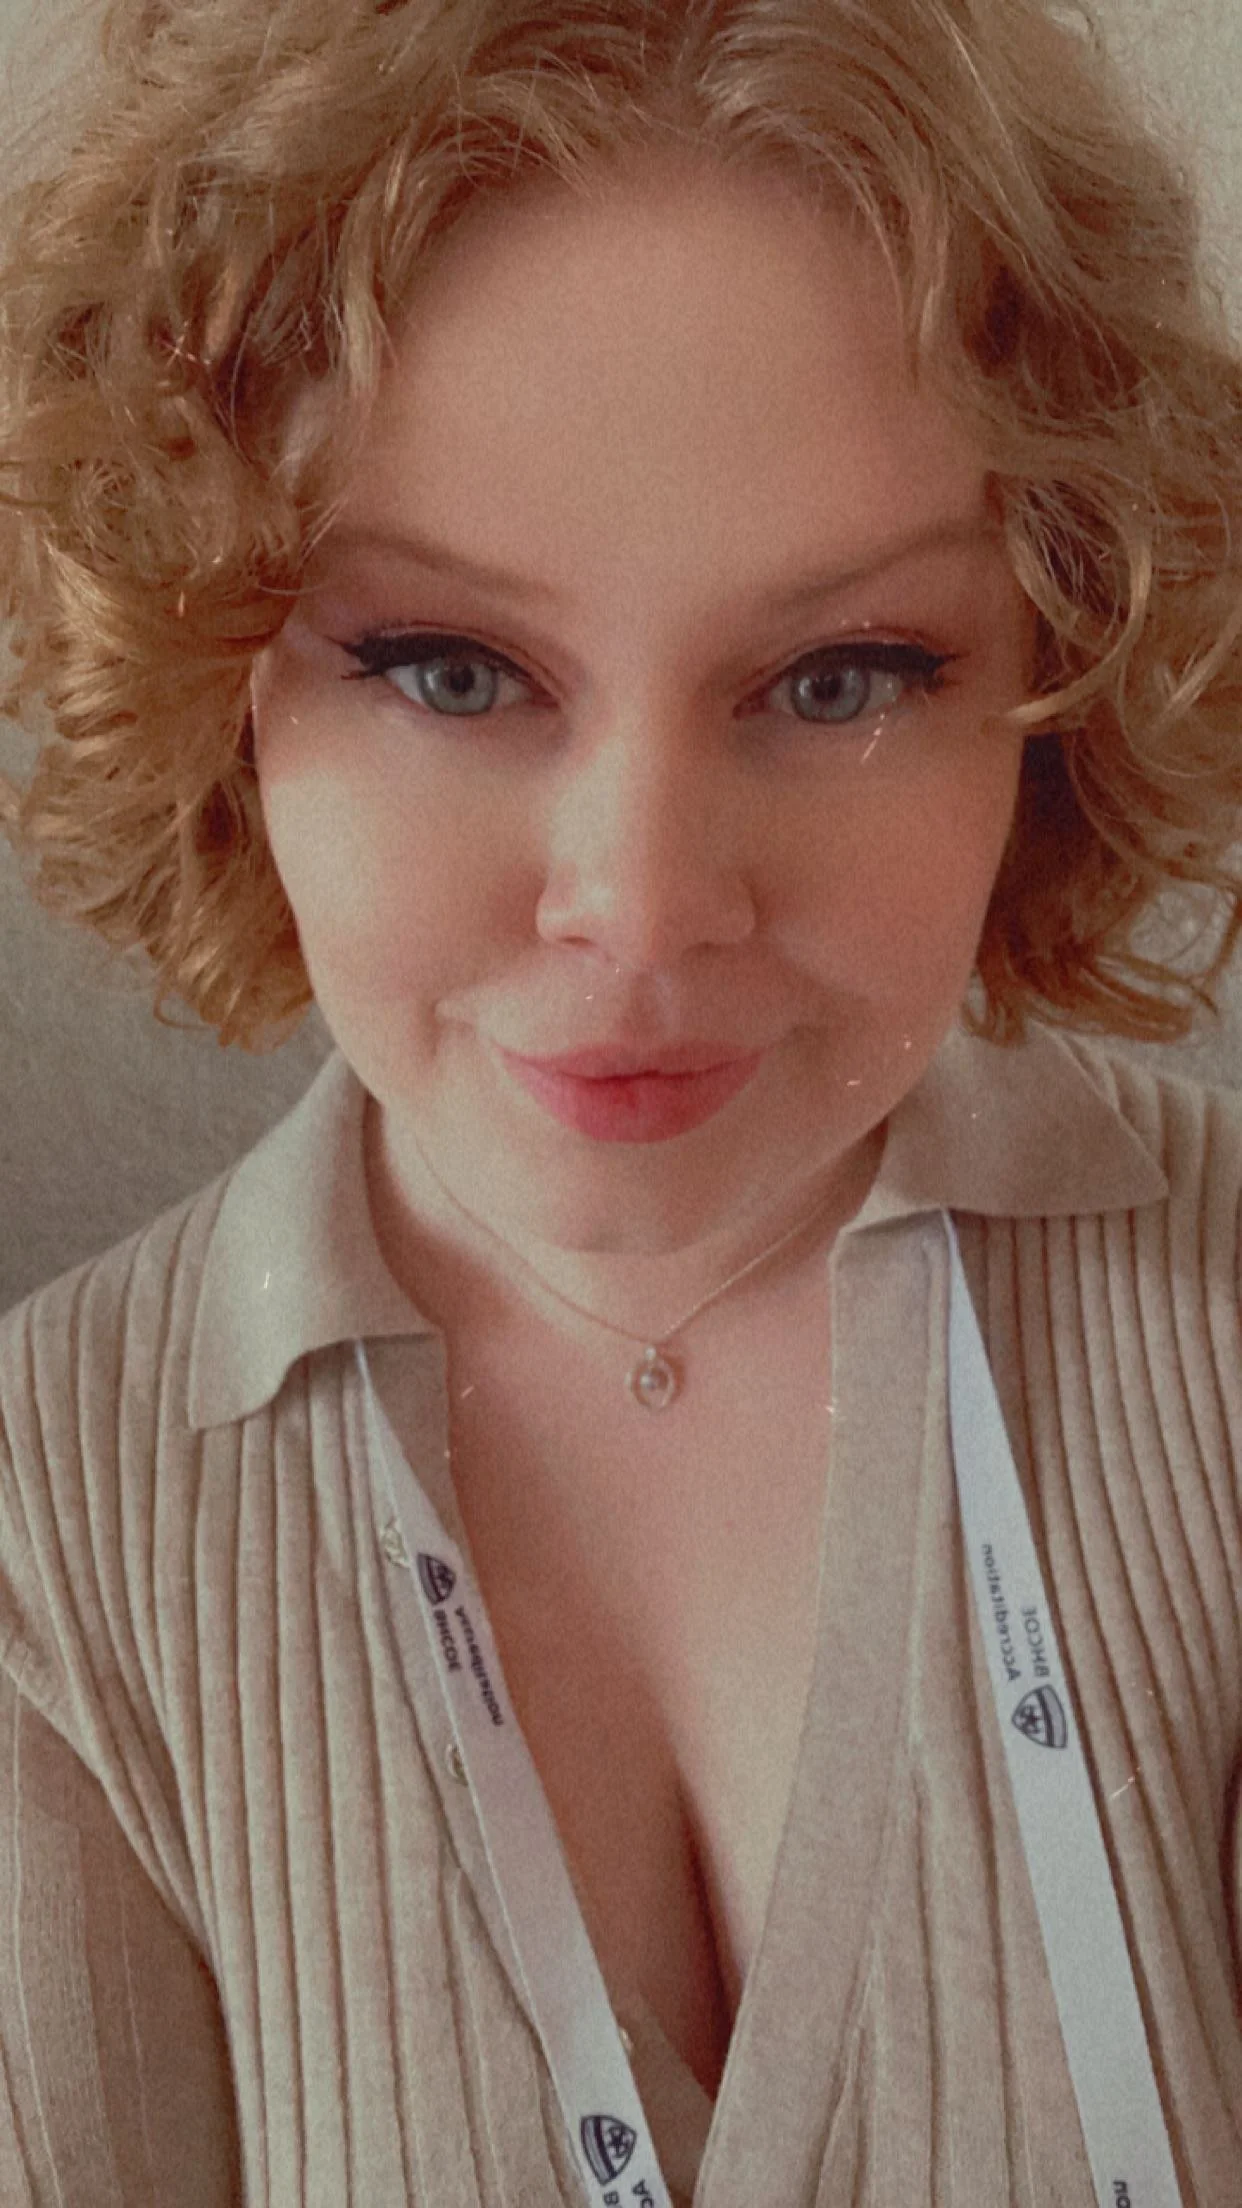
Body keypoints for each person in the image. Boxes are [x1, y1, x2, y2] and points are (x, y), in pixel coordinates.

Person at [0, 0, 1240, 2200]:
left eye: (845, 676)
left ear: (1055, 688)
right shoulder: (48, 1538)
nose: (644, 908)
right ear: (212, 668)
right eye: (450, 669)